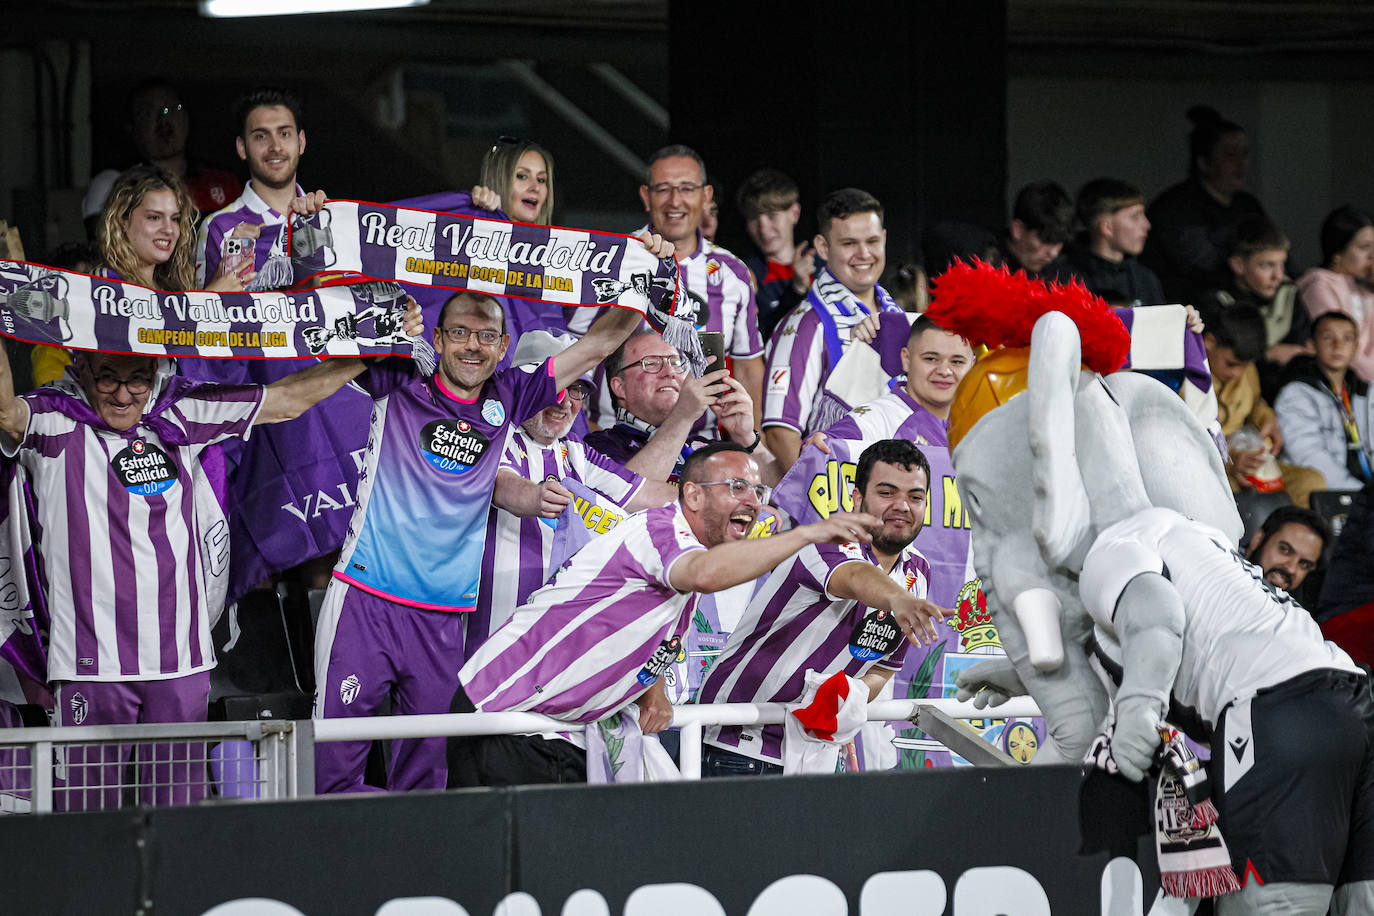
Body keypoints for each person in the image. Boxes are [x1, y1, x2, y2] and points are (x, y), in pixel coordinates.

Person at [0, 287, 420, 810]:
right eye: (108, 375)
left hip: (181, 663)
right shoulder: (52, 420)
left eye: (137, 377)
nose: (124, 393)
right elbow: (5, 411)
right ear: (81, 367)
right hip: (90, 666)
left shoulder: (183, 410)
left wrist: (371, 349)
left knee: (179, 818)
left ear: (156, 371)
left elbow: (287, 399)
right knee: (86, 818)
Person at [313, 237, 665, 794]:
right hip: (364, 600)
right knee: (330, 770)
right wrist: (317, 242)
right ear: (437, 338)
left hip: (443, 616)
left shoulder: (512, 396)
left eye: (485, 336)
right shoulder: (399, 380)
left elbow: (598, 344)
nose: (471, 347)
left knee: (427, 783)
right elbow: (323, 333)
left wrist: (641, 270)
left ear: (503, 347)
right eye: (459, 333)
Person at [446, 441, 899, 787]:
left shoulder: (689, 551)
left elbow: (654, 633)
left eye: (758, 489)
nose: (754, 501)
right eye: (736, 486)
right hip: (505, 713)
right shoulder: (657, 528)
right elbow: (703, 575)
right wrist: (807, 534)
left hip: (558, 731)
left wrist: (652, 690)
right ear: (693, 495)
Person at [697, 440, 951, 776]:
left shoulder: (918, 571)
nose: (902, 506)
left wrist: (855, 692)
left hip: (820, 756)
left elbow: (883, 669)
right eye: (887, 493)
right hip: (738, 747)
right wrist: (897, 599)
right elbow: (857, 576)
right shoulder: (825, 542)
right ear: (857, 498)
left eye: (915, 497)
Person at [468, 331, 677, 655]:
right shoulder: (495, 436)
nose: (565, 401)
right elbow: (503, 486)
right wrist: (535, 496)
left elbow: (647, 495)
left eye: (577, 389)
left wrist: (717, 500)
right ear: (525, 389)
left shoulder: (575, 452)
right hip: (494, 628)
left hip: (559, 630)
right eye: (556, 387)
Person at [579, 145, 763, 429]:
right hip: (614, 444)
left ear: (706, 196)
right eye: (663, 189)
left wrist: (753, 441)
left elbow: (749, 366)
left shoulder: (732, 273)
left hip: (701, 448)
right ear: (646, 196)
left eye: (687, 188)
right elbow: (573, 348)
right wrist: (585, 430)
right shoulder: (609, 260)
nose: (675, 201)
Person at [763, 188, 909, 469]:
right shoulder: (806, 324)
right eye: (849, 243)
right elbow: (780, 433)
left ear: (885, 239)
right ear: (822, 247)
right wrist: (815, 504)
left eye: (872, 241)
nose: (864, 254)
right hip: (842, 500)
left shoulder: (899, 317)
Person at [585, 329, 780, 485]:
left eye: (676, 362)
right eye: (651, 363)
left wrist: (746, 438)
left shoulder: (705, 446)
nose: (669, 372)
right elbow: (626, 496)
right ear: (620, 387)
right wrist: (683, 417)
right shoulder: (597, 447)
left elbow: (780, 498)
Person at [195, 86, 321, 290]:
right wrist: (235, 257)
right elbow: (201, 313)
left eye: (285, 133)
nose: (276, 147)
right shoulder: (218, 226)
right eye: (261, 136)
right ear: (242, 147)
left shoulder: (328, 216)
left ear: (301, 142)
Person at [1142, 105, 1269, 305]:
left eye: (1244, 154)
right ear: (1204, 162)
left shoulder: (1247, 206)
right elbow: (1201, 269)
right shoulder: (1176, 208)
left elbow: (1272, 248)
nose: (1240, 164)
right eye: (1230, 155)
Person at [82, 79, 241, 238]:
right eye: (148, 113)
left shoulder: (223, 180)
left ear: (187, 118)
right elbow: (102, 247)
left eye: (173, 109)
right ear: (132, 128)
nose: (163, 120)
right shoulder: (113, 183)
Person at [1204, 305, 1325, 506]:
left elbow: (1255, 405)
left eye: (1245, 366)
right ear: (1209, 342)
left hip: (1249, 457)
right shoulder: (1186, 381)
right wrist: (1227, 463)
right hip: (1211, 468)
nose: (1238, 374)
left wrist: (1266, 418)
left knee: (1311, 482)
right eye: (1231, 364)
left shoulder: (1247, 370)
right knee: (1234, 490)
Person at [1200, 214, 1310, 400]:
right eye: (1267, 266)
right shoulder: (1219, 302)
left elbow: (1302, 347)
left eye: (1281, 265)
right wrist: (1268, 354)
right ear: (1238, 265)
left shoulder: (1289, 293)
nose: (1278, 276)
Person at [1275, 312, 1373, 491]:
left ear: (1356, 347)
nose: (1338, 346)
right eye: (1328, 337)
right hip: (1330, 493)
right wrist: (1360, 494)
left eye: (1347, 339)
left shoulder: (1367, 392)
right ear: (1311, 345)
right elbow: (1306, 455)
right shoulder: (1296, 393)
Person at [1056, 178, 1164, 305]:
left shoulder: (1145, 279)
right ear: (1107, 227)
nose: (1147, 225)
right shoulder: (1065, 279)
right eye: (1135, 217)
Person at [736, 168, 815, 341]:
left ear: (794, 213)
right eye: (754, 218)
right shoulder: (743, 273)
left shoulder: (823, 264)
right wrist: (797, 289)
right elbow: (761, 339)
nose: (763, 229)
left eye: (772, 216)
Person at [1297, 205, 1374, 381]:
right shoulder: (1319, 284)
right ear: (1338, 253)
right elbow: (1337, 345)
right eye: (1364, 248)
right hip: (1343, 382)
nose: (1372, 256)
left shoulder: (1362, 285)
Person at [1246, 505, 1330, 594]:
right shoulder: (1230, 570)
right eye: (1285, 550)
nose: (1291, 569)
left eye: (1304, 564)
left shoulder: (1292, 602)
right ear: (1258, 539)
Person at [1001, 180, 1073, 278]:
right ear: (1018, 230)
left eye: (1059, 242)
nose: (1053, 253)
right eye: (1045, 240)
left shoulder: (1061, 279)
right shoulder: (982, 261)